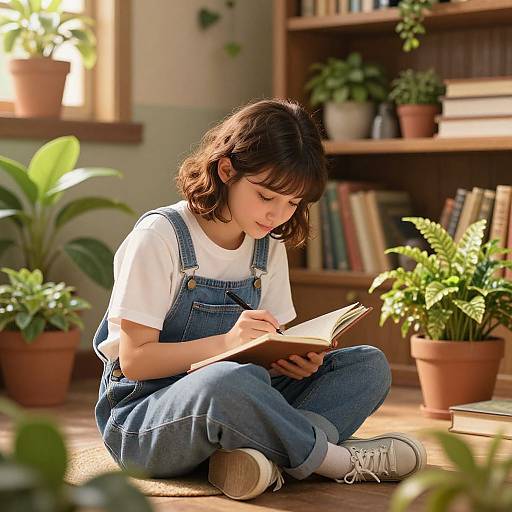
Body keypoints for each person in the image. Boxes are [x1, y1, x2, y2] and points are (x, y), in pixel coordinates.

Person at [92, 98, 426, 501]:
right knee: (229, 380)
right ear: (227, 169)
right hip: (144, 419)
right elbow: (135, 360)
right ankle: (334, 462)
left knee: (368, 365)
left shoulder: (266, 244)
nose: (276, 216)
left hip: (239, 396)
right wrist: (228, 344)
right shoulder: (160, 238)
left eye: (292, 204)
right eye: (267, 197)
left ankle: (263, 460)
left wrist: (294, 358)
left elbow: (265, 352)